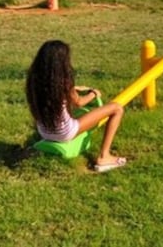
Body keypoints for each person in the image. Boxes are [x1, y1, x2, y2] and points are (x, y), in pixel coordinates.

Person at [25, 39, 127, 172]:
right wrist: (93, 93)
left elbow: (57, 93)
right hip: (65, 132)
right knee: (116, 108)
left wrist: (73, 89)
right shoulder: (64, 82)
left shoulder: (33, 81)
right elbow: (79, 103)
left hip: (44, 131)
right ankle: (104, 156)